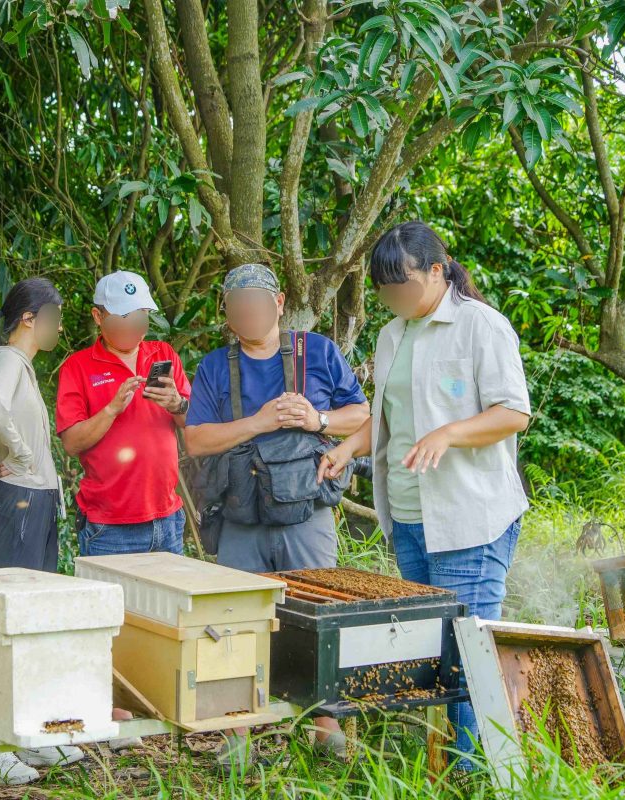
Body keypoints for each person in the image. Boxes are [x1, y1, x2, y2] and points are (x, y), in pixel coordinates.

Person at [319, 220, 532, 773]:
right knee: (432, 650)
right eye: (386, 293)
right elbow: (387, 418)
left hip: (469, 520)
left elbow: (513, 413)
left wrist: (449, 433)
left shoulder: (482, 326)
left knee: (469, 652)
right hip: (409, 518)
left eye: (404, 287)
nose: (396, 300)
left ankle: (479, 773)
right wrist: (347, 448)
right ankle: (444, 765)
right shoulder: (394, 333)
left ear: (437, 272)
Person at [184, 263, 370, 768]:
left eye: (257, 303)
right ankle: (237, 730)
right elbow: (196, 439)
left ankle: (325, 723)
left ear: (281, 302)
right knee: (233, 620)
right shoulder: (214, 367)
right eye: (237, 305)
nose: (247, 312)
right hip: (242, 516)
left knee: (316, 613)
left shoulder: (319, 353)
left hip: (305, 513)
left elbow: (366, 417)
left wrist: (319, 419)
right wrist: (257, 422)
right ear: (226, 311)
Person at [0, 277, 80, 786]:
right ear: (30, 318)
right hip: (20, 500)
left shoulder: (18, 366)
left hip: (36, 501)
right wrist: (20, 455)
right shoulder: (8, 361)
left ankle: (28, 734)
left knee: (32, 622)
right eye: (55, 317)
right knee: (11, 623)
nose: (59, 327)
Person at [55, 271, 192, 557]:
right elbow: (71, 443)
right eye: (123, 319)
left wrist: (176, 403)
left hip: (167, 518)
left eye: (140, 318)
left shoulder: (163, 354)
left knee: (169, 603)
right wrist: (111, 409)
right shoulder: (77, 367)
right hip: (110, 527)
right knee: (115, 604)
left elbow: (195, 426)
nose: (134, 328)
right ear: (98, 316)